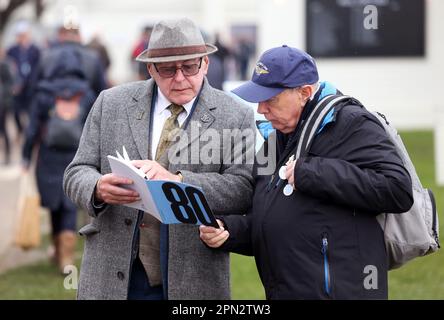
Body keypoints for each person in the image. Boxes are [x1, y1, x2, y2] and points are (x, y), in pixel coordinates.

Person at [199, 45, 414, 299]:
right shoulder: (274, 139)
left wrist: (312, 172)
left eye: (271, 99)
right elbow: (268, 218)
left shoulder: (351, 122)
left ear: (305, 93)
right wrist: (229, 230)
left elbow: (397, 189)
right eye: (259, 99)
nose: (261, 110)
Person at [63, 18, 255, 300]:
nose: (179, 78)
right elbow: (76, 172)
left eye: (189, 67)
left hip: (192, 276)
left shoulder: (235, 115)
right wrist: (97, 188)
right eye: (167, 69)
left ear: (205, 63)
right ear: (150, 68)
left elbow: (243, 189)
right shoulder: (111, 103)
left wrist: (177, 182)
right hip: (112, 274)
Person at [22, 48, 96, 273]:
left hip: (48, 156)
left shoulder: (44, 93)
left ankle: (57, 250)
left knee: (54, 203)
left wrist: (25, 156)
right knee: (69, 204)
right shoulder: (87, 94)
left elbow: (33, 128)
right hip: (77, 155)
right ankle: (66, 257)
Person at [6, 21, 40, 135]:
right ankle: (20, 130)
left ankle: (29, 133)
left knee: (30, 111)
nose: (21, 38)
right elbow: (9, 67)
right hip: (17, 86)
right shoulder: (12, 50)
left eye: (23, 35)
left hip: (30, 85)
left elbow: (37, 68)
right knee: (15, 111)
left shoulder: (35, 50)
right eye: (19, 35)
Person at [0, 49, 15, 165]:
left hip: (3, 103)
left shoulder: (5, 64)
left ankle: (8, 155)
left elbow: (9, 83)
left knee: (4, 129)